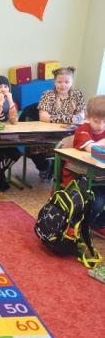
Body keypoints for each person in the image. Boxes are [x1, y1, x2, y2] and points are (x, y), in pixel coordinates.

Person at [62, 95, 105, 239]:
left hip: (100, 177)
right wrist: (101, 143)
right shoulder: (83, 130)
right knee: (97, 201)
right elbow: (91, 149)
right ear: (88, 117)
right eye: (96, 121)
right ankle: (76, 224)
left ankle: (98, 223)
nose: (100, 126)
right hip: (79, 176)